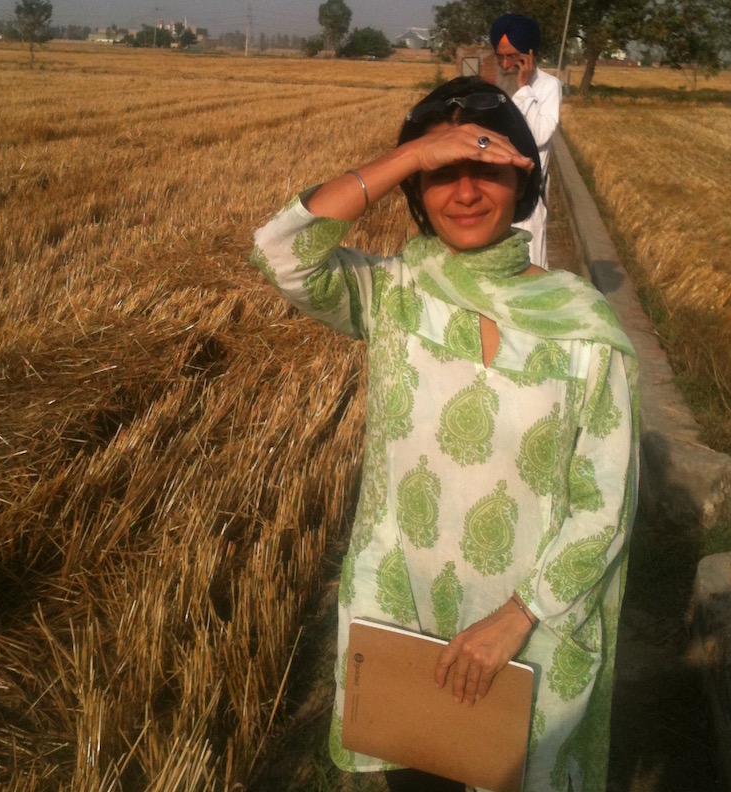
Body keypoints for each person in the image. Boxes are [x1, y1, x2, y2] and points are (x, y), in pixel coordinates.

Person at [252, 76, 638, 792]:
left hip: (530, 631)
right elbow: (281, 251)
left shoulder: (583, 327)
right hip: (407, 619)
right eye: (440, 174)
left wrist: (519, 617)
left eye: (485, 168)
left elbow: (605, 500)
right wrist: (406, 155)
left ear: (522, 179)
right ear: (418, 192)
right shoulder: (395, 295)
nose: (463, 192)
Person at [491, 13, 562, 270]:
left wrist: (523, 89)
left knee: (531, 263)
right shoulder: (498, 88)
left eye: (513, 56)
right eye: (501, 56)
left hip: (529, 193)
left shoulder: (548, 86)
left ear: (529, 55)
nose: (506, 64)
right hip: (497, 188)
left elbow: (540, 135)